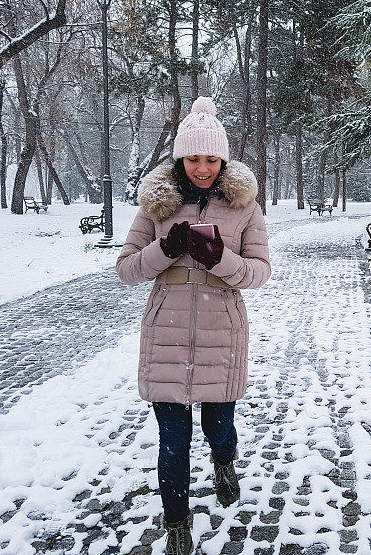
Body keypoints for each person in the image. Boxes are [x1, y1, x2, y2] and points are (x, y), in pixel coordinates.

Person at [116, 96, 271, 555]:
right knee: (173, 439)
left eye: (211, 159)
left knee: (218, 426)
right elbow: (125, 269)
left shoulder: (244, 206)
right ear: (179, 157)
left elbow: (260, 272)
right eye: (193, 158)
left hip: (221, 333)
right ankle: (177, 521)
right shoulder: (156, 206)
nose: (202, 168)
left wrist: (219, 259)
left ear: (223, 160)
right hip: (166, 335)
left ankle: (225, 461)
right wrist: (165, 250)